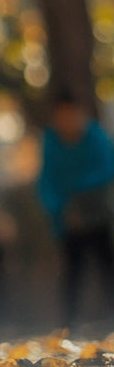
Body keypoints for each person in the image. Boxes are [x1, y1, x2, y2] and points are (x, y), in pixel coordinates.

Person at [38, 90, 114, 329]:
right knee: (73, 271)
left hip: (97, 215)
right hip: (69, 221)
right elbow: (46, 182)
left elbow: (107, 168)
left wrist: (77, 193)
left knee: (107, 268)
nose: (67, 122)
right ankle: (68, 323)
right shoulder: (51, 142)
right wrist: (59, 208)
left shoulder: (95, 136)